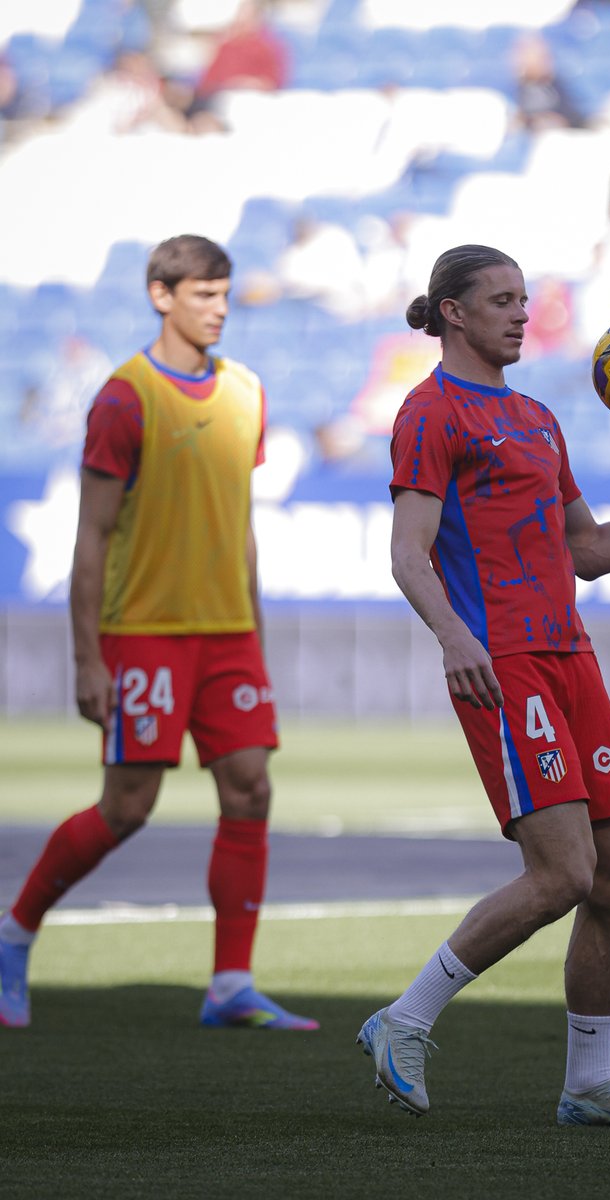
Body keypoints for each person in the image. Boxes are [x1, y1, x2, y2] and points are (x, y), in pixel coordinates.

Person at [356, 245, 610, 1127]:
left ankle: (588, 1086)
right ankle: (403, 1019)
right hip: (504, 663)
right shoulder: (430, 412)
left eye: (524, 299)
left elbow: (588, 551)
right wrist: (454, 636)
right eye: (501, 300)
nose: (522, 313)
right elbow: (408, 554)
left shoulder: (536, 418)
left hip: (570, 657)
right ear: (453, 313)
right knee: (565, 871)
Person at [0, 235, 317, 1033]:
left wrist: (255, 634)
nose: (218, 309)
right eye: (202, 294)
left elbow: (240, 526)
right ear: (160, 296)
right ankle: (14, 930)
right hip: (144, 632)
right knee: (128, 806)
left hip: (229, 632)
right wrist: (87, 659)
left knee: (251, 787)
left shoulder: (246, 391)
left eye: (225, 294)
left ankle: (231, 984)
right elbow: (91, 536)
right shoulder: (124, 397)